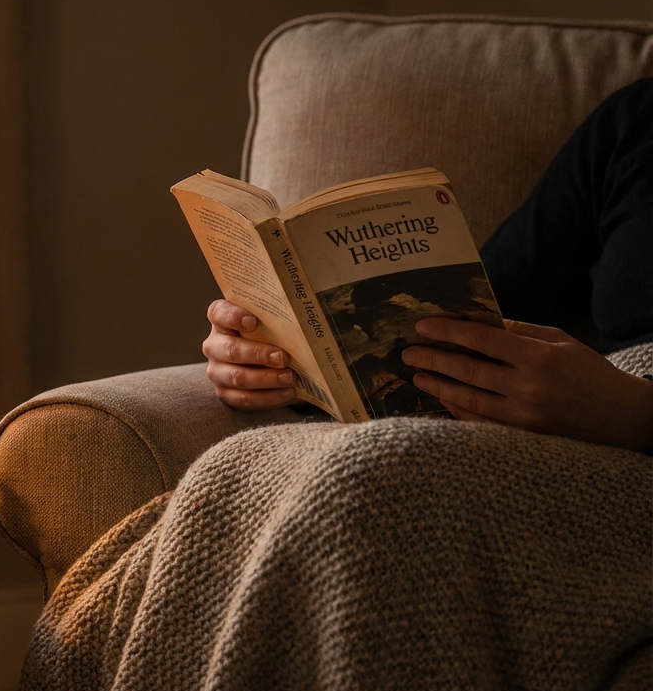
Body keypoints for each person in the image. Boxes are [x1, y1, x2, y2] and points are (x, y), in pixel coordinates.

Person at [201, 77, 653, 453]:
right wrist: (271, 352)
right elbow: (469, 313)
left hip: (614, 454)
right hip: (531, 434)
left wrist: (638, 416)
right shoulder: (637, 122)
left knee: (356, 480)